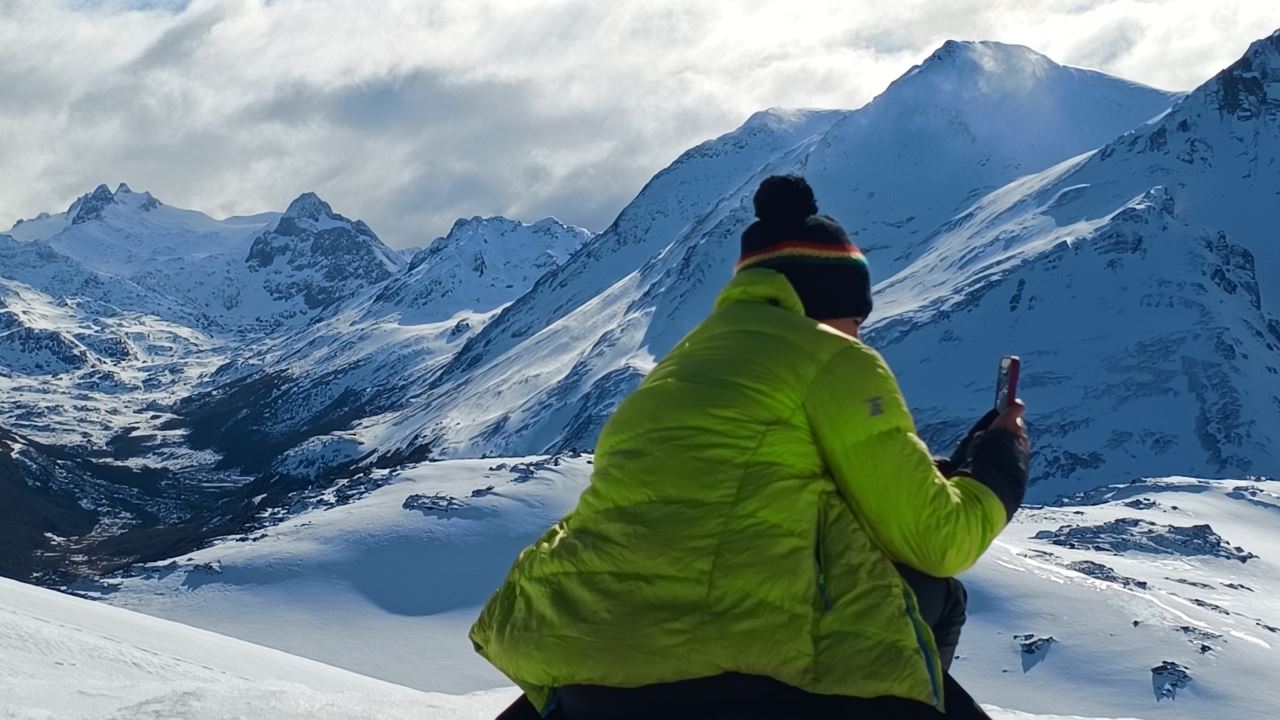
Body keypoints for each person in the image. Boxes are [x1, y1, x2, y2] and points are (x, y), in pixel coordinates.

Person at [471, 175, 1031, 719]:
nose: (861, 330)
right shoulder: (834, 357)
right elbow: (938, 541)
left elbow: (732, 497)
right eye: (857, 315)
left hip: (588, 655)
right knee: (933, 591)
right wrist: (1000, 463)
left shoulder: (677, 368)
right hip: (741, 665)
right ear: (826, 299)